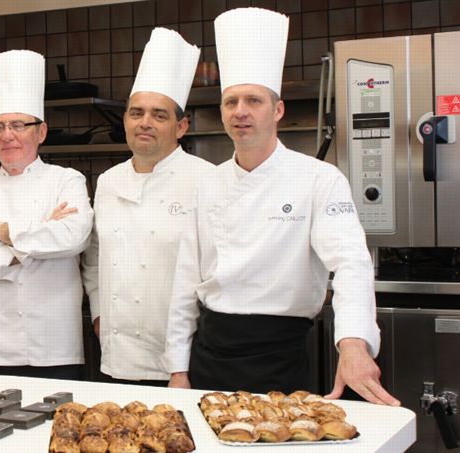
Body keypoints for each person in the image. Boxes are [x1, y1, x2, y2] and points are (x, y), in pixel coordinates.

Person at [163, 7, 400, 406]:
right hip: (210, 353)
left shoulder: (319, 179)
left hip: (280, 357)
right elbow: (186, 280)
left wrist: (354, 345)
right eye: (230, 101)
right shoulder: (208, 184)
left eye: (253, 100)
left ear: (277, 110)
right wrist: (178, 370)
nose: (240, 111)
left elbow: (350, 263)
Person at [0, 50, 93, 379]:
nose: (7, 135)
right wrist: (40, 233)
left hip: (54, 346)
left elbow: (73, 237)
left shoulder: (67, 180)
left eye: (17, 125)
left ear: (41, 132)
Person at [81, 28, 213, 385]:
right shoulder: (108, 182)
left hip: (184, 362)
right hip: (116, 358)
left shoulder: (209, 181)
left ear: (181, 126)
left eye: (159, 114)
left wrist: (184, 361)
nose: (145, 122)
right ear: (124, 120)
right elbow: (94, 258)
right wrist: (98, 315)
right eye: (136, 112)